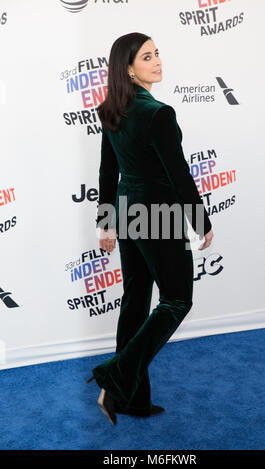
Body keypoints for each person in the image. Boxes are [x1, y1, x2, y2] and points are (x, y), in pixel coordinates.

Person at [86, 32, 214, 426]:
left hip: (127, 212)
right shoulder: (159, 113)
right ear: (128, 68)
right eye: (147, 57)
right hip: (159, 214)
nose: (158, 61)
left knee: (137, 298)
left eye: (157, 53)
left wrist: (105, 221)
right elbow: (178, 174)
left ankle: (131, 400)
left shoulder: (111, 108)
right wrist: (201, 221)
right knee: (177, 301)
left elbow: (110, 171)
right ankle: (118, 375)